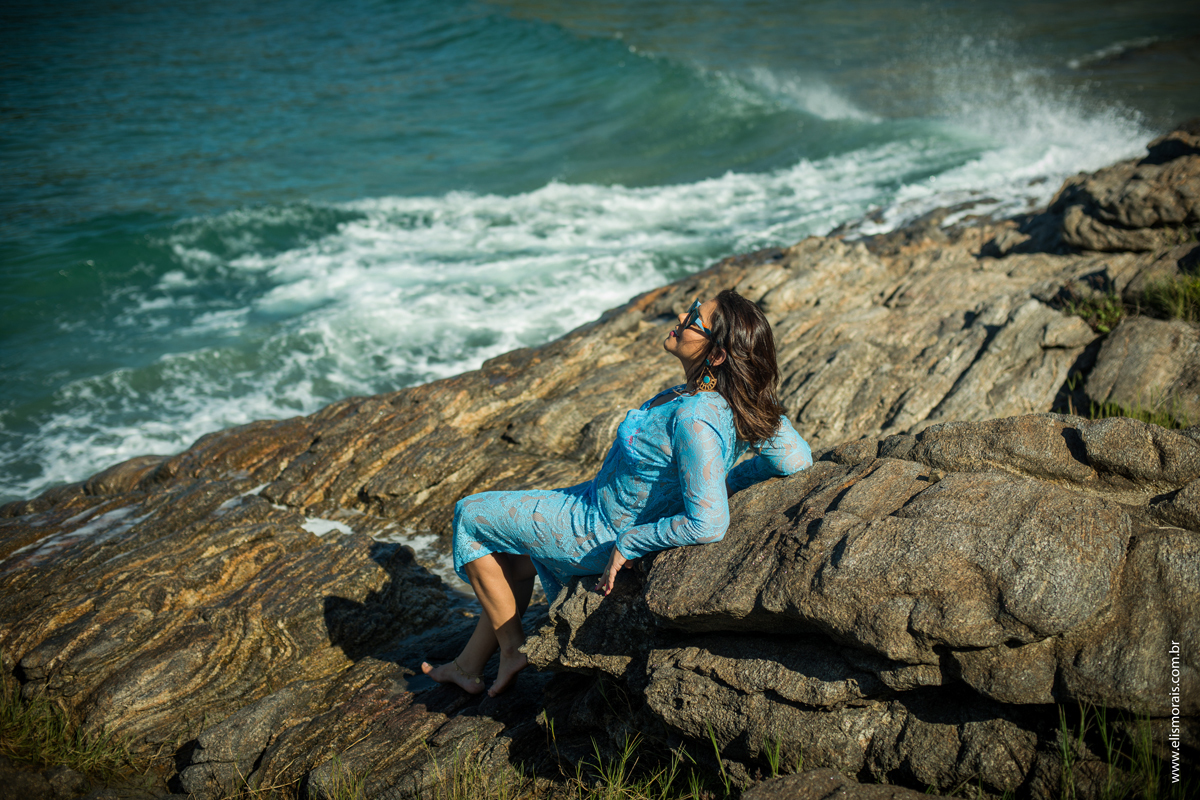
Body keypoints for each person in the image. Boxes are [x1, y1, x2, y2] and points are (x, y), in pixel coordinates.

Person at [421, 289, 812, 696]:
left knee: (470, 515)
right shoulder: (722, 399)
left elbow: (709, 521)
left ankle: (512, 649)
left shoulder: (698, 416)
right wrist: (725, 481)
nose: (682, 313)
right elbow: (796, 458)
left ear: (716, 356)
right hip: (595, 501)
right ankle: (467, 667)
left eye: (695, 317)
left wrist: (634, 540)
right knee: (504, 557)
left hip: (595, 529)